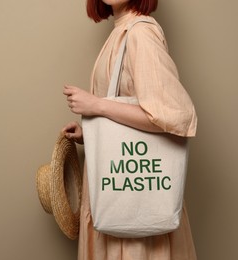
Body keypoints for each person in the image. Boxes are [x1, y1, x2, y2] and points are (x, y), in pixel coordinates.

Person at [62, 0, 198, 259]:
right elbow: (132, 110)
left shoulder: (140, 34)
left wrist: (97, 105)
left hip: (134, 203)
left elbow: (169, 117)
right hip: (118, 192)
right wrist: (90, 132)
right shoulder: (121, 31)